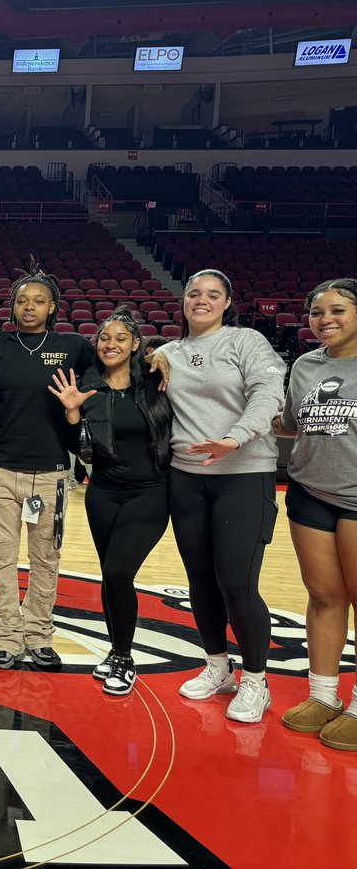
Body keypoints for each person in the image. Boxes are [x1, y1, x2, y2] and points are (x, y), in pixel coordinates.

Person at [151, 268, 284, 722]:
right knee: (200, 580)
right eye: (194, 293)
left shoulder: (246, 342)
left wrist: (235, 437)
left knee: (236, 581)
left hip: (244, 473)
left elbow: (268, 393)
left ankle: (256, 681)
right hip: (187, 478)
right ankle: (217, 666)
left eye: (213, 294)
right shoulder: (168, 353)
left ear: (228, 303)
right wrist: (153, 354)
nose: (201, 300)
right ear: (184, 300)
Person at [0, 263, 95, 671]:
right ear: (12, 305)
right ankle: (6, 637)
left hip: (52, 471)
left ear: (52, 306)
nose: (29, 307)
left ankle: (39, 635)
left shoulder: (73, 345)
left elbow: (117, 360)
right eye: (22, 300)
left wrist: (157, 356)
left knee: (46, 559)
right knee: (1, 560)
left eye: (39, 301)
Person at [48, 310, 171, 695]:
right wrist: (72, 413)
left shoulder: (155, 379)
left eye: (120, 338)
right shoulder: (86, 385)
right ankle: (117, 652)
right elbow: (76, 447)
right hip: (102, 491)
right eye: (104, 338)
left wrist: (162, 356)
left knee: (118, 573)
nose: (111, 344)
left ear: (135, 344)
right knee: (110, 576)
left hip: (150, 491)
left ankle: (124, 658)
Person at [273, 278, 357, 746]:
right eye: (317, 312)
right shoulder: (306, 364)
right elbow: (292, 423)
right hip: (309, 492)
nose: (325, 319)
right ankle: (324, 695)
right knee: (324, 596)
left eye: (337, 310)